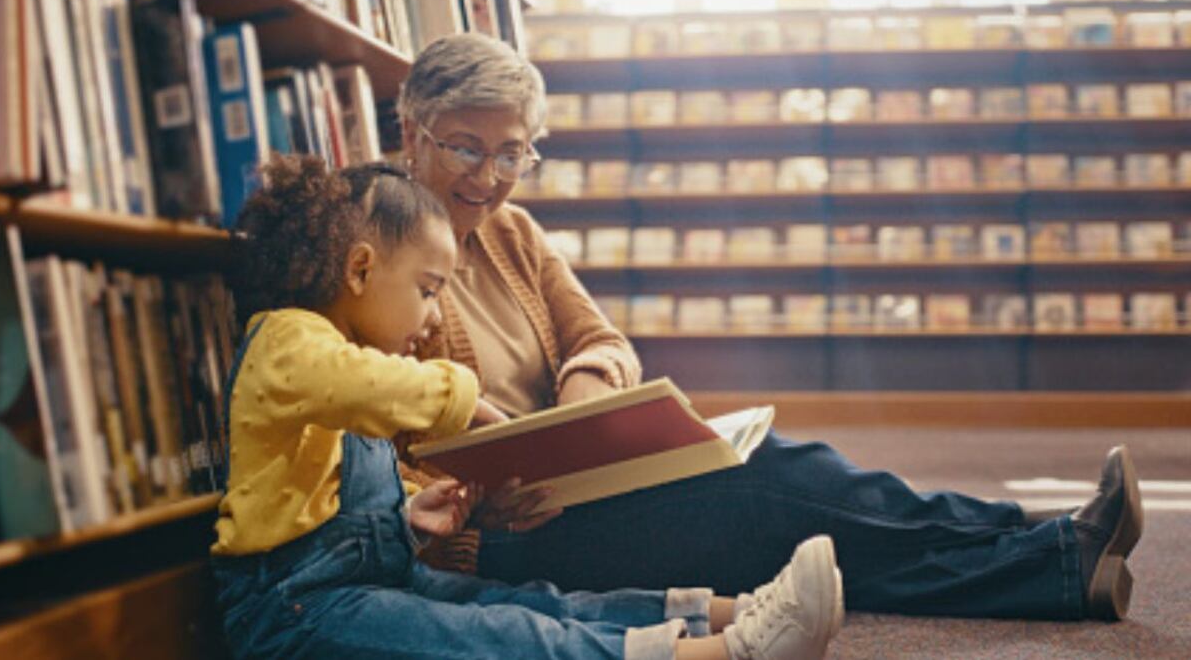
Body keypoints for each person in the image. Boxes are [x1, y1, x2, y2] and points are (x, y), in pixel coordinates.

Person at [394, 32, 1145, 622]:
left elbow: (601, 341)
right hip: (501, 539)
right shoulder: (377, 248)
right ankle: (1038, 546)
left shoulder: (513, 231)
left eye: (512, 153)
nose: (488, 176)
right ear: (411, 130)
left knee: (772, 477)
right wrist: (477, 505)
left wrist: (576, 414)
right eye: (466, 147)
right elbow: (372, 434)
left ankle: (1044, 551)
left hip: (588, 486)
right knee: (767, 491)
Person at [210, 154, 846, 660]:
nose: (433, 320)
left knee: (525, 605)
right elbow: (375, 388)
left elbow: (326, 493)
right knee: (499, 640)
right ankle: (726, 654)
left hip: (366, 582)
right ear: (358, 270)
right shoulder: (289, 341)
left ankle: (725, 611)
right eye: (428, 292)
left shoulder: (345, 355)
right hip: (293, 613)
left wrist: (408, 511)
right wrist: (472, 405)